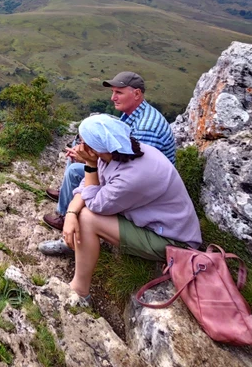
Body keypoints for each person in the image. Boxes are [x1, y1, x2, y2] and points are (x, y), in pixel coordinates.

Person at [44, 114, 201, 301]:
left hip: (172, 240)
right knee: (79, 213)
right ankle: (77, 244)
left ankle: (79, 291)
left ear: (94, 148)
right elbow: (87, 188)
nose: (78, 145)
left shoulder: (131, 176)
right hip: (154, 220)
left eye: (82, 141)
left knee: (87, 218)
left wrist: (90, 165)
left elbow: (95, 204)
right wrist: (70, 214)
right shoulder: (117, 152)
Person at [42, 71, 175, 234]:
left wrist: (88, 160)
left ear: (137, 94)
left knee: (75, 169)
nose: (113, 98)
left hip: (145, 189)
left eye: (118, 92)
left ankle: (66, 216)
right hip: (128, 170)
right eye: (113, 92)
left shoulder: (146, 128)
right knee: (82, 147)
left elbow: (133, 167)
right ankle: (67, 194)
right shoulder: (134, 114)